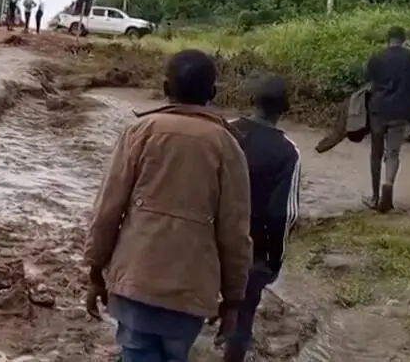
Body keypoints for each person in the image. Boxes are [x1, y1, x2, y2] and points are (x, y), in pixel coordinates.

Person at [84, 49, 252, 362]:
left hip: (135, 279)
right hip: (191, 292)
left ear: (164, 89)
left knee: (136, 353)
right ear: (212, 93)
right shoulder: (227, 145)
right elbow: (236, 231)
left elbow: (107, 209)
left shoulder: (140, 132)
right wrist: (233, 300)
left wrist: (95, 270)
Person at [223, 76, 301, 362]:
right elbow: (284, 213)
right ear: (284, 109)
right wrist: (275, 258)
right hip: (252, 249)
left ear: (252, 101)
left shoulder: (225, 132)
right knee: (243, 317)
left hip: (210, 240)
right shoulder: (287, 151)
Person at [364, 26, 410, 213]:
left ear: (388, 39)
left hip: (378, 108)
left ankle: (375, 197)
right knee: (393, 153)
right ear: (404, 39)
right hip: (401, 109)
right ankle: (388, 189)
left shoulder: (377, 57)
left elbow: (369, 80)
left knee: (376, 153)